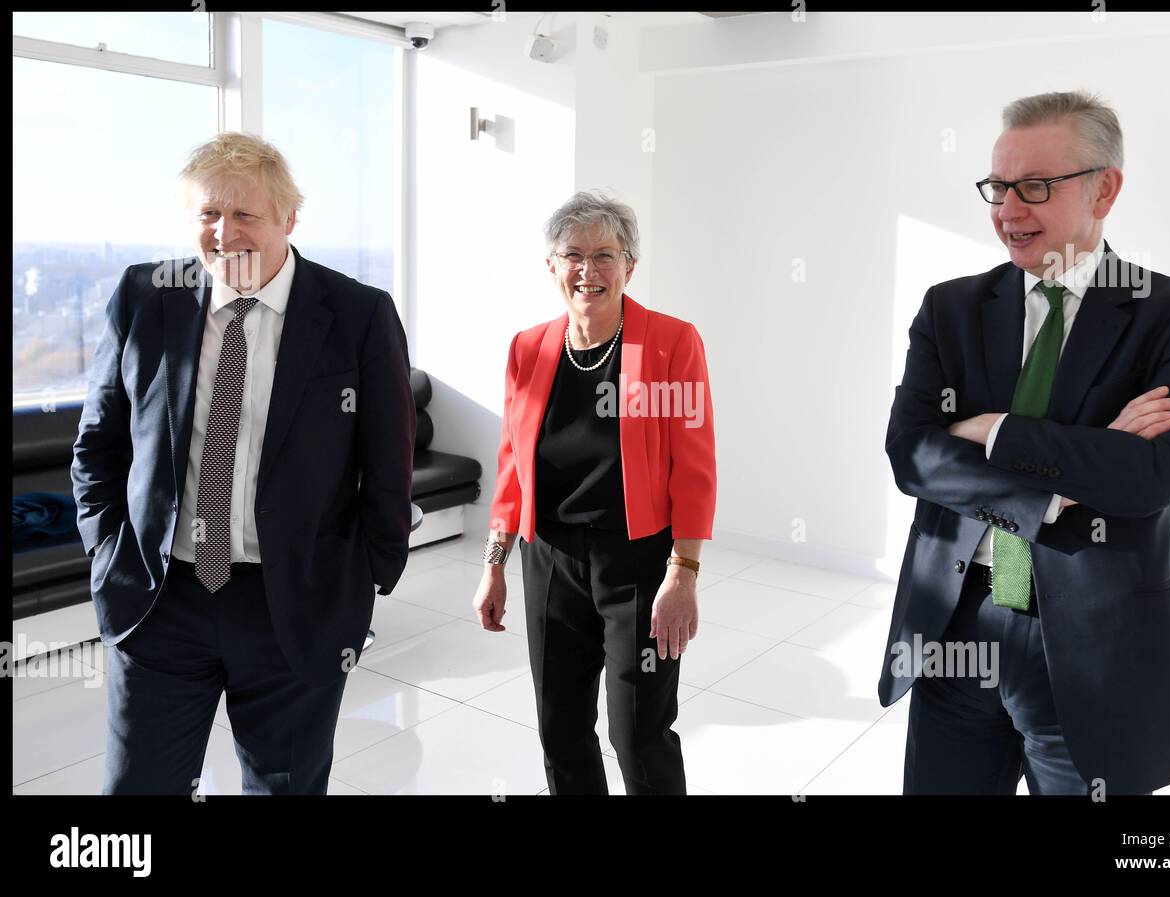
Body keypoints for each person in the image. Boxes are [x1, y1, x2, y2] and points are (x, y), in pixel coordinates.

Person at [880, 91, 1170, 795]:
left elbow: (1155, 475)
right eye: (997, 187)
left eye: (1034, 187)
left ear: (1105, 188)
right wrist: (1072, 470)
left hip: (1094, 650)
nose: (1008, 210)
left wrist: (994, 431)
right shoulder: (950, 308)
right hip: (956, 625)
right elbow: (910, 453)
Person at [71, 132, 416, 795]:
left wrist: (363, 578)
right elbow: (98, 445)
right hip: (160, 597)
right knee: (137, 788)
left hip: (293, 606)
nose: (224, 233)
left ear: (289, 217)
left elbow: (387, 465)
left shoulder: (356, 315)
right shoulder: (146, 297)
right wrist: (106, 552)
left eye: (245, 214)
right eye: (208, 214)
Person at [473, 191, 716, 795]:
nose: (589, 271)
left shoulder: (669, 343)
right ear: (551, 267)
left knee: (639, 733)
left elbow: (694, 466)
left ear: (630, 266)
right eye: (573, 255)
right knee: (560, 728)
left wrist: (683, 573)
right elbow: (511, 463)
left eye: (605, 255)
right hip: (548, 561)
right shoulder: (529, 348)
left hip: (637, 562)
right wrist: (495, 564)